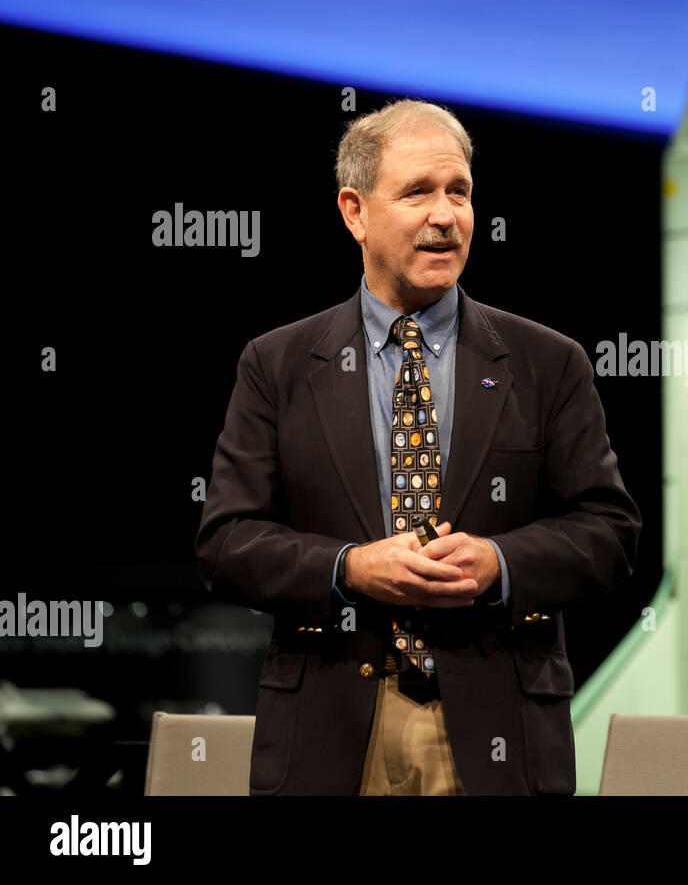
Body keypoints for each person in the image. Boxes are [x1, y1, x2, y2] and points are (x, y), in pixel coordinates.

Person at [194, 98, 642, 795]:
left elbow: (610, 532)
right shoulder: (277, 365)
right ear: (355, 212)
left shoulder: (547, 363)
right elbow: (226, 541)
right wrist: (350, 567)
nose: (446, 215)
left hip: (496, 733)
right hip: (333, 732)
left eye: (459, 192)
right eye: (417, 192)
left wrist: (499, 561)